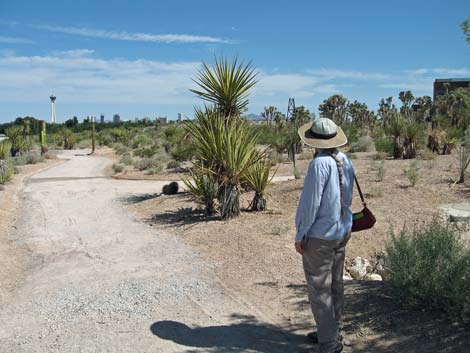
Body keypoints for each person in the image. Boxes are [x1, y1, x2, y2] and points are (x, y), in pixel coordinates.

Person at [294, 117, 355, 353]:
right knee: (335, 284)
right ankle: (330, 330)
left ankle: (328, 343)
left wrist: (301, 234)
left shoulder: (320, 164)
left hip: (321, 236)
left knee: (319, 289)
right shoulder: (345, 159)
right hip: (341, 230)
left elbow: (311, 205)